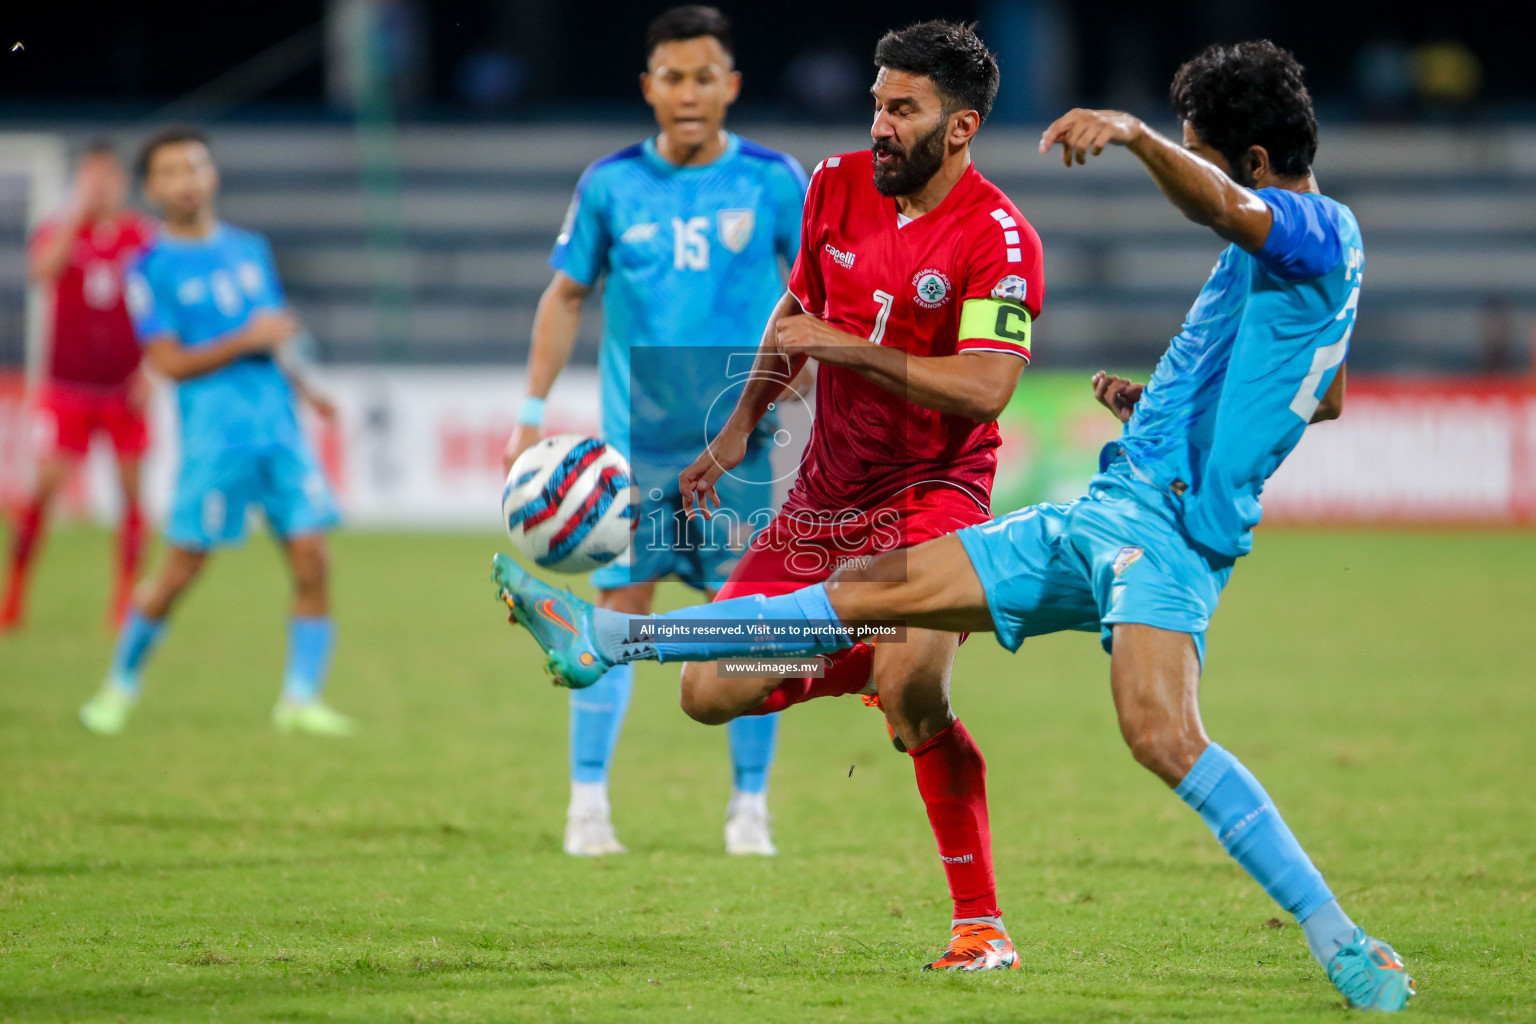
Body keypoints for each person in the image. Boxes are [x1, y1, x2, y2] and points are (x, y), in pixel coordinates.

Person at [494, 40, 1417, 1010]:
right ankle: (606, 635)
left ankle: (1346, 940)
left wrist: (1139, 137)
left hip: (1167, 534)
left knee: (1160, 734)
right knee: (864, 594)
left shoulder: (1305, 226)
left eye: (1199, 149)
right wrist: (1167, 405)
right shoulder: (1305, 270)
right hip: (1105, 510)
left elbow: (1221, 206)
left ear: (1258, 163)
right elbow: (1327, 393)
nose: (880, 123)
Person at [506, 20, 1046, 971]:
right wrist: (739, 427)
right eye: (876, 103)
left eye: (903, 109)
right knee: (706, 692)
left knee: (917, 686)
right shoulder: (834, 187)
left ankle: (981, 925)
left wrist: (851, 350)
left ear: (960, 128)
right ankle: (866, 651)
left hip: (933, 496)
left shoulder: (1000, 238)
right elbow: (793, 318)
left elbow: (984, 390)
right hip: (821, 505)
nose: (878, 125)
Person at [501, 6, 807, 858]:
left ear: (731, 86)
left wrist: (809, 376)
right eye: (672, 77)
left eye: (705, 76)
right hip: (633, 454)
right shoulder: (609, 186)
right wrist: (530, 414)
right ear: (648, 88)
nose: (688, 92)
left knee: (752, 624)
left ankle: (749, 807)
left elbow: (817, 293)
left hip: (743, 449)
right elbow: (566, 294)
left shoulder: (776, 181)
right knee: (619, 610)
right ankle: (587, 805)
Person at [78, 127, 354, 738]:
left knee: (313, 559)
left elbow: (276, 330)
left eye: (194, 167)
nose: (185, 180)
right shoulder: (150, 266)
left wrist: (310, 389)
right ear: (152, 188)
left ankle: (301, 698)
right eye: (171, 171)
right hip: (215, 437)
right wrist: (242, 342)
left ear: (213, 176)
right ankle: (118, 686)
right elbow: (169, 363)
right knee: (181, 569)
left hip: (279, 429)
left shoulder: (250, 248)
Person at [2, 141, 156, 631]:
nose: (100, 187)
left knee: (132, 493)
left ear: (123, 182)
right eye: (90, 178)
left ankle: (125, 598)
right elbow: (42, 272)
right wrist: (75, 215)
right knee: (42, 491)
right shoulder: (59, 231)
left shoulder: (142, 237)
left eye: (107, 177)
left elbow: (163, 307)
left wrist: (152, 369)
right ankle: (16, 593)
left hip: (123, 390)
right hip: (67, 387)